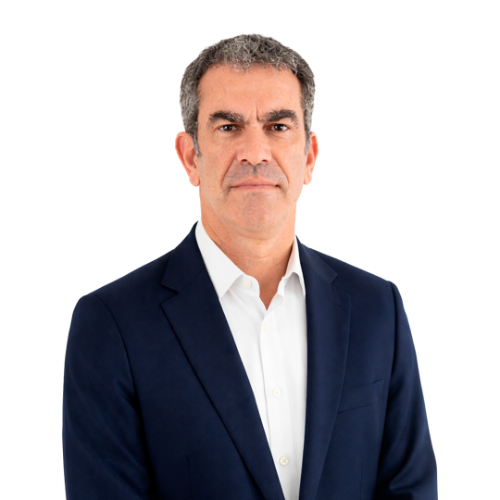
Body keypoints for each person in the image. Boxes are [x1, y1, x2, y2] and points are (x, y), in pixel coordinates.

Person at [62, 32, 437, 500]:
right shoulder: (112, 323)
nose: (255, 153)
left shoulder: (376, 307)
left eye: (278, 126)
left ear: (309, 156)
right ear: (189, 156)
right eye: (228, 127)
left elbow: (410, 488)